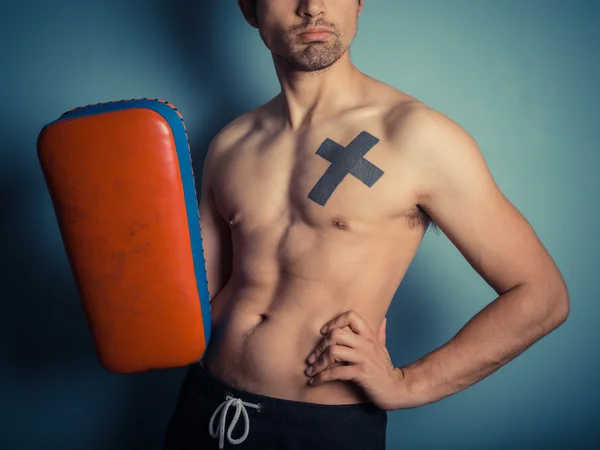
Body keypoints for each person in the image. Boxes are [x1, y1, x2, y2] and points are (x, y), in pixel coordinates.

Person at [162, 0, 570, 448]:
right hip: (202, 401)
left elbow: (542, 296)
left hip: (317, 427)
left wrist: (407, 384)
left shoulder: (416, 136)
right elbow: (196, 297)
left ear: (359, 3)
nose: (312, 7)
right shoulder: (232, 142)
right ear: (249, 9)